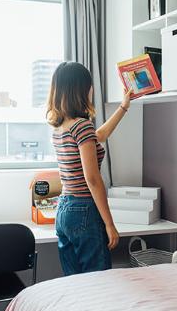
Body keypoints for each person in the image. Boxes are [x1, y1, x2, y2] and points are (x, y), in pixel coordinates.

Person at [47, 62, 132, 276]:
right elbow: (92, 179)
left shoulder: (61, 127)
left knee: (75, 282)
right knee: (98, 282)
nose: (91, 89)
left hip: (64, 209)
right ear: (81, 89)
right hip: (84, 208)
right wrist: (109, 224)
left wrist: (123, 107)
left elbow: (99, 136)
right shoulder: (82, 126)